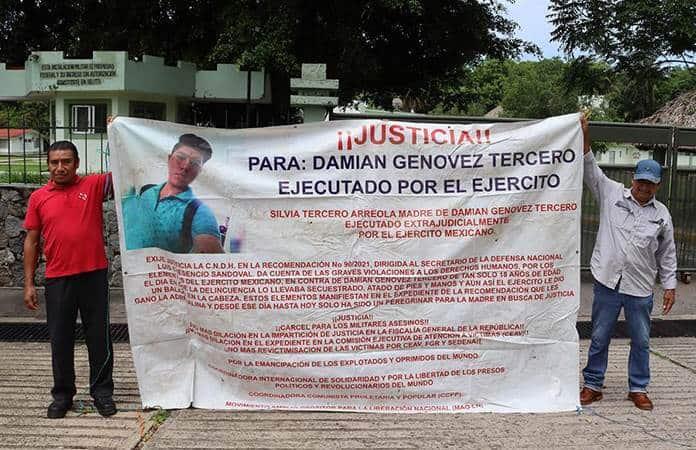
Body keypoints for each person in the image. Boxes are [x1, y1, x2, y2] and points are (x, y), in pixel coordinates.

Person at [579, 116, 677, 411]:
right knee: (599, 336)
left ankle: (638, 387)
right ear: (633, 178)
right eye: (641, 181)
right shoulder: (611, 193)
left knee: (642, 340)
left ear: (657, 185)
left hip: (640, 287)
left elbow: (667, 253)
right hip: (608, 280)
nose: (644, 187)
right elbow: (589, 166)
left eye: (650, 183)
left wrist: (670, 286)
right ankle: (593, 384)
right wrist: (584, 133)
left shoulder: (662, 215)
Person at [23, 141, 116, 418]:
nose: (60, 167)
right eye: (54, 162)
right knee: (60, 339)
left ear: (77, 163)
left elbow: (125, 169)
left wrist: (117, 129)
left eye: (66, 161)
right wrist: (29, 283)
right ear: (48, 165)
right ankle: (63, 396)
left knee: (99, 337)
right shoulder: (38, 197)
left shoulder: (94, 185)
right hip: (58, 278)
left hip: (93, 275)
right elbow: (31, 241)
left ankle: (102, 394)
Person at [122, 133, 223, 253]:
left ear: (200, 171)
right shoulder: (145, 191)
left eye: (195, 163)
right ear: (169, 158)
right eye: (181, 157)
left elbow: (213, 256)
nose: (185, 166)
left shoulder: (199, 212)